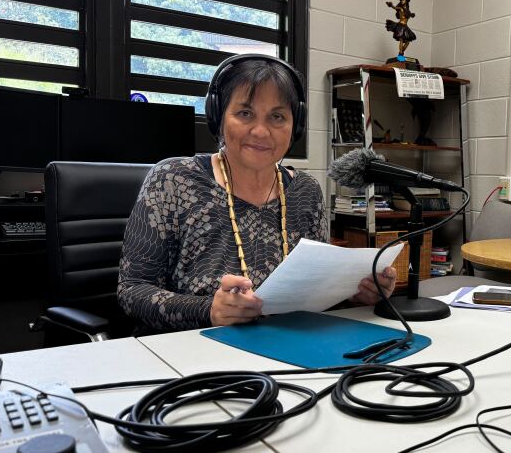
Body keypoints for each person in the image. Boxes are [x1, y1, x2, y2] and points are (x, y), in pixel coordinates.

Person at [118, 54, 397, 332]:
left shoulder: (306, 192)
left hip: (285, 347)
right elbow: (132, 292)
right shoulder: (173, 179)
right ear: (218, 117)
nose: (261, 131)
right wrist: (208, 310)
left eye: (277, 116)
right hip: (192, 348)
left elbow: (315, 296)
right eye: (245, 113)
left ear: (294, 126)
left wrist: (355, 295)